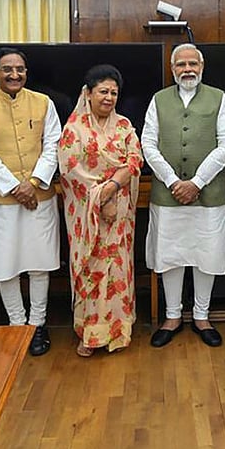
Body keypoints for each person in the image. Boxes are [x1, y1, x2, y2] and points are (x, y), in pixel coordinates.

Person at [0, 47, 61, 356]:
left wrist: (33, 183)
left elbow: (54, 146)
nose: (14, 74)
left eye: (20, 69)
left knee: (39, 264)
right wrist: (13, 187)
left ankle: (37, 324)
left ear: (26, 72)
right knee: (5, 266)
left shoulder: (44, 102)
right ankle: (16, 324)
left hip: (39, 196)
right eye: (7, 69)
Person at [142, 43, 225, 348]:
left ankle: (202, 315)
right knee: (171, 255)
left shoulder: (219, 98)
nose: (187, 69)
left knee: (206, 254)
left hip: (209, 194)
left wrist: (196, 182)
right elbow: (148, 145)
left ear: (202, 66)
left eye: (193, 64)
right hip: (168, 195)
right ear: (172, 69)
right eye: (181, 65)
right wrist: (172, 181)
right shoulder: (158, 100)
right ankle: (172, 316)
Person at [58, 64, 143, 357]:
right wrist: (100, 200)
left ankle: (118, 332)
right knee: (91, 272)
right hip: (87, 216)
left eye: (114, 93)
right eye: (103, 91)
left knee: (118, 270)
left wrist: (111, 191)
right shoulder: (73, 130)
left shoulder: (124, 126)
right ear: (88, 93)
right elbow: (71, 171)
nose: (108, 97)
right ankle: (90, 334)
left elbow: (135, 160)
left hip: (119, 214)